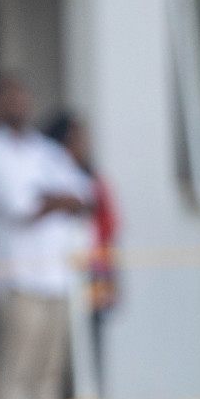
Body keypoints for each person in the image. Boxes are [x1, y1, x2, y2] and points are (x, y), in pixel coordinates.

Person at [0, 76, 93, 399]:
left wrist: (55, 200)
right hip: (18, 277)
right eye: (10, 97)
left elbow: (82, 194)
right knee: (15, 374)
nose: (18, 104)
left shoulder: (45, 151)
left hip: (58, 279)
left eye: (22, 95)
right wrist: (56, 200)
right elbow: (21, 206)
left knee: (49, 375)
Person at [43, 111, 118, 381]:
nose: (81, 147)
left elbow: (109, 230)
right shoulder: (49, 175)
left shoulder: (93, 181)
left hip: (94, 273)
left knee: (91, 345)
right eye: (75, 140)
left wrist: (110, 281)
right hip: (58, 278)